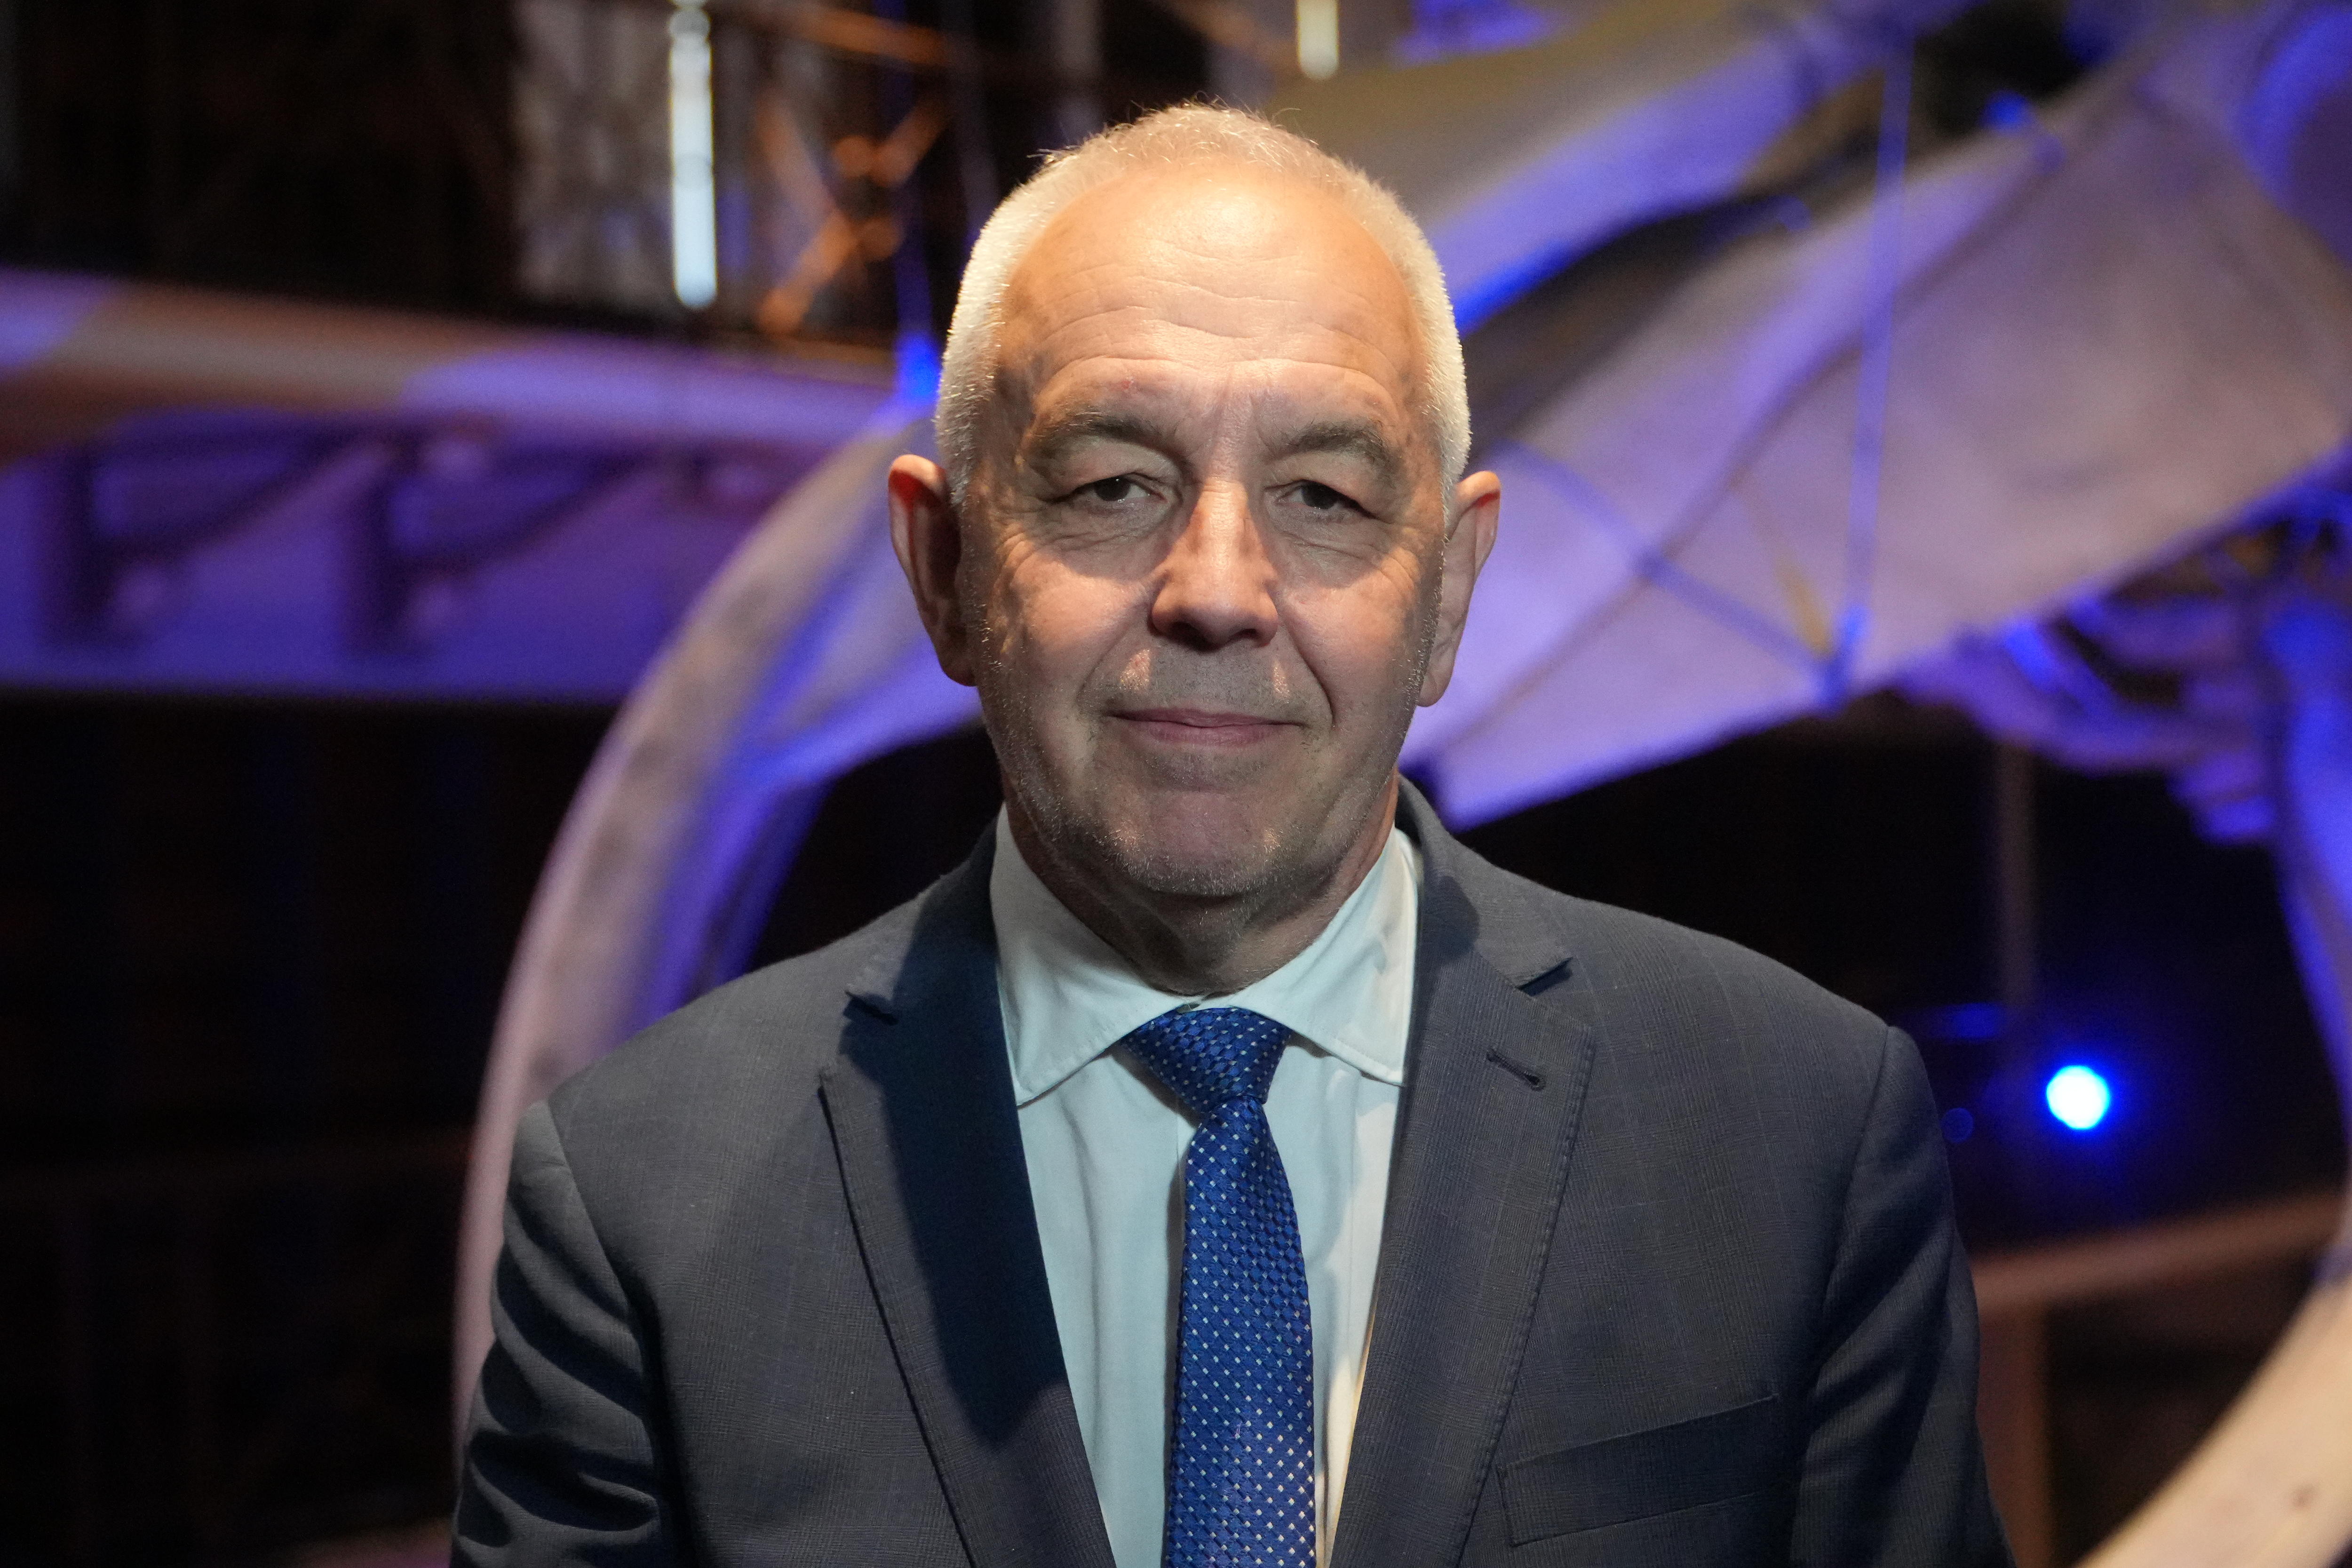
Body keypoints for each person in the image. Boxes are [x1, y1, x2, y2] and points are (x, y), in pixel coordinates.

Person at [454, 105, 2010, 1568]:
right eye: (1112, 483)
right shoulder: (643, 1198)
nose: (1217, 589)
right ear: (942, 567)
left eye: (1327, 496)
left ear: (1451, 589)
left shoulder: (1794, 1132)